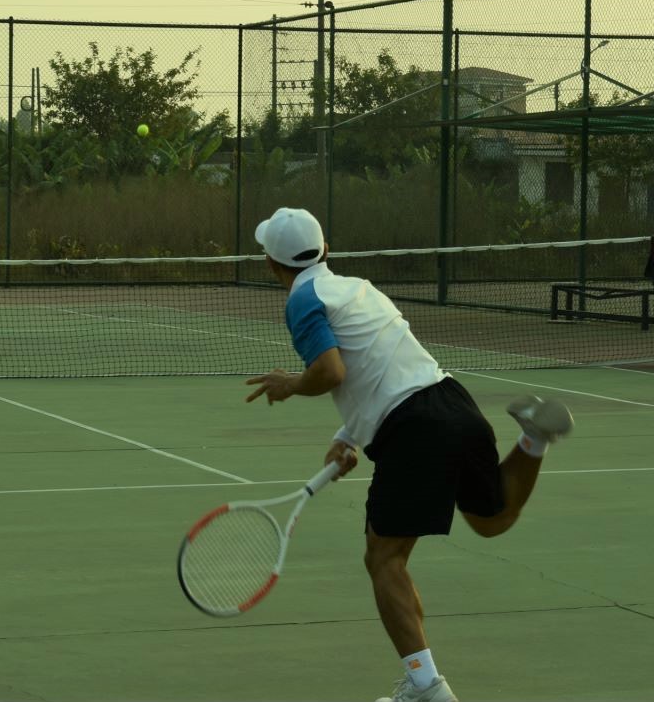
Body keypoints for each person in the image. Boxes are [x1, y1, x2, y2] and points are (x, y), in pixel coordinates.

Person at [244, 208, 573, 702]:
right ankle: (534, 440)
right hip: (454, 403)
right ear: (326, 250)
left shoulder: (303, 300)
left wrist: (290, 384)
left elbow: (331, 371)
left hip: (413, 429)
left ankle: (427, 688)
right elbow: (379, 368)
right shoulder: (359, 289)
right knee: (492, 519)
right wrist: (349, 437)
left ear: (272, 264)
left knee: (384, 558)